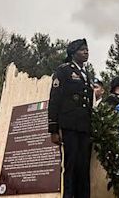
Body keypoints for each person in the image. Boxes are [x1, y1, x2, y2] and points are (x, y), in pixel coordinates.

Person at [48, 38, 93, 198]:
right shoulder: (64, 71)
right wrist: (53, 129)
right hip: (69, 126)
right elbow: (55, 100)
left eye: (87, 49)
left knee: (83, 167)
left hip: (84, 127)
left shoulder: (86, 74)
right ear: (73, 53)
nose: (86, 52)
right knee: (71, 166)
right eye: (82, 49)